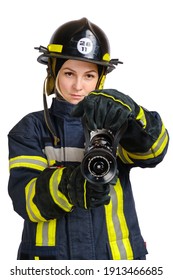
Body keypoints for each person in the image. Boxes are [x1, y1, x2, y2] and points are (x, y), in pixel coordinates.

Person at [8, 17, 169, 260]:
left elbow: (154, 152)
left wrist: (134, 116)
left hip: (114, 263)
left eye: (89, 76)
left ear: (100, 79)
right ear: (53, 73)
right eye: (69, 73)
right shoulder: (31, 129)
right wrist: (70, 188)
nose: (78, 86)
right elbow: (26, 199)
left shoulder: (116, 123)